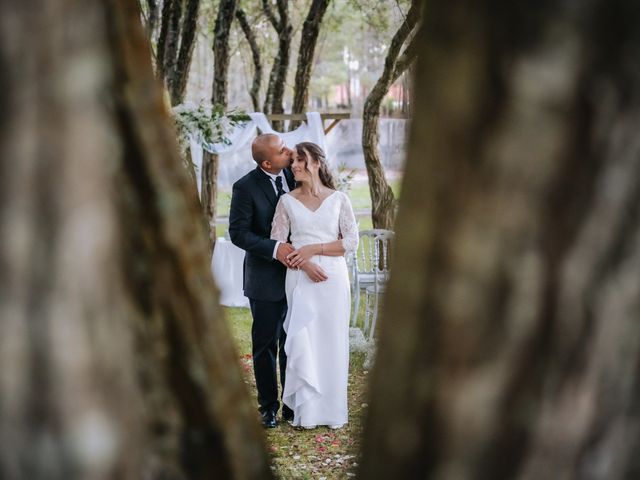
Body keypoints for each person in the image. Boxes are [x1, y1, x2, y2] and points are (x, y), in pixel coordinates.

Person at [271, 142, 359, 429]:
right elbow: (280, 244)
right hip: (299, 278)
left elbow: (350, 242)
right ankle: (306, 413)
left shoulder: (339, 199)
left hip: (333, 279)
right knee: (304, 340)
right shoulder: (286, 201)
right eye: (293, 160)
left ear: (317, 163)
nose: (295, 165)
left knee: (331, 340)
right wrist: (304, 261)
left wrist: (314, 249)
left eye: (301, 160)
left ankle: (331, 411)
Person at [228, 133, 296, 428]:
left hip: (299, 277)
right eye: (283, 150)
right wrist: (275, 249)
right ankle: (268, 407)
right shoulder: (244, 187)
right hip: (264, 278)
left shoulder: (299, 174)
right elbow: (238, 233)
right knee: (266, 345)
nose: (289, 151)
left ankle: (293, 404)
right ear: (267, 162)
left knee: (293, 342)